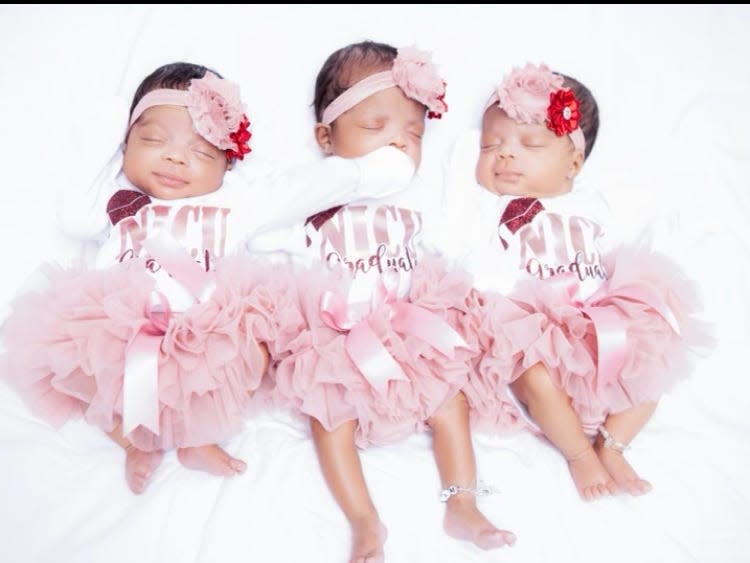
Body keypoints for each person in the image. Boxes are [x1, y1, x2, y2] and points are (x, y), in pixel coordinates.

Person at [0, 61, 415, 495]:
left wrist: (387, 166)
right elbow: (71, 216)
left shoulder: (239, 200)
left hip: (201, 335)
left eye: (201, 152)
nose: (176, 157)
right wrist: (114, 116)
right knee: (70, 364)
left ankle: (198, 437)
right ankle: (132, 438)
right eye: (153, 140)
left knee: (255, 350)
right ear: (125, 144)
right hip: (119, 330)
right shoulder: (116, 198)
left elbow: (319, 185)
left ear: (228, 164)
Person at [264, 41, 516, 562]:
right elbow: (261, 234)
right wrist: (333, 182)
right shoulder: (312, 202)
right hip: (338, 337)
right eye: (375, 129)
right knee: (328, 412)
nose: (397, 146)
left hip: (407, 329)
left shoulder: (415, 199)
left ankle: (461, 503)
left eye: (412, 133)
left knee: (451, 399)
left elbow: (456, 235)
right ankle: (364, 520)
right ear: (326, 137)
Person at [446, 62, 711, 501]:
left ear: (573, 162)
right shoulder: (485, 207)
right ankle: (580, 455)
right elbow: (460, 179)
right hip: (532, 331)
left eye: (531, 144)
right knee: (532, 377)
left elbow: (637, 234)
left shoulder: (596, 202)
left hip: (595, 324)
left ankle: (613, 444)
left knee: (659, 352)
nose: (506, 154)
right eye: (492, 145)